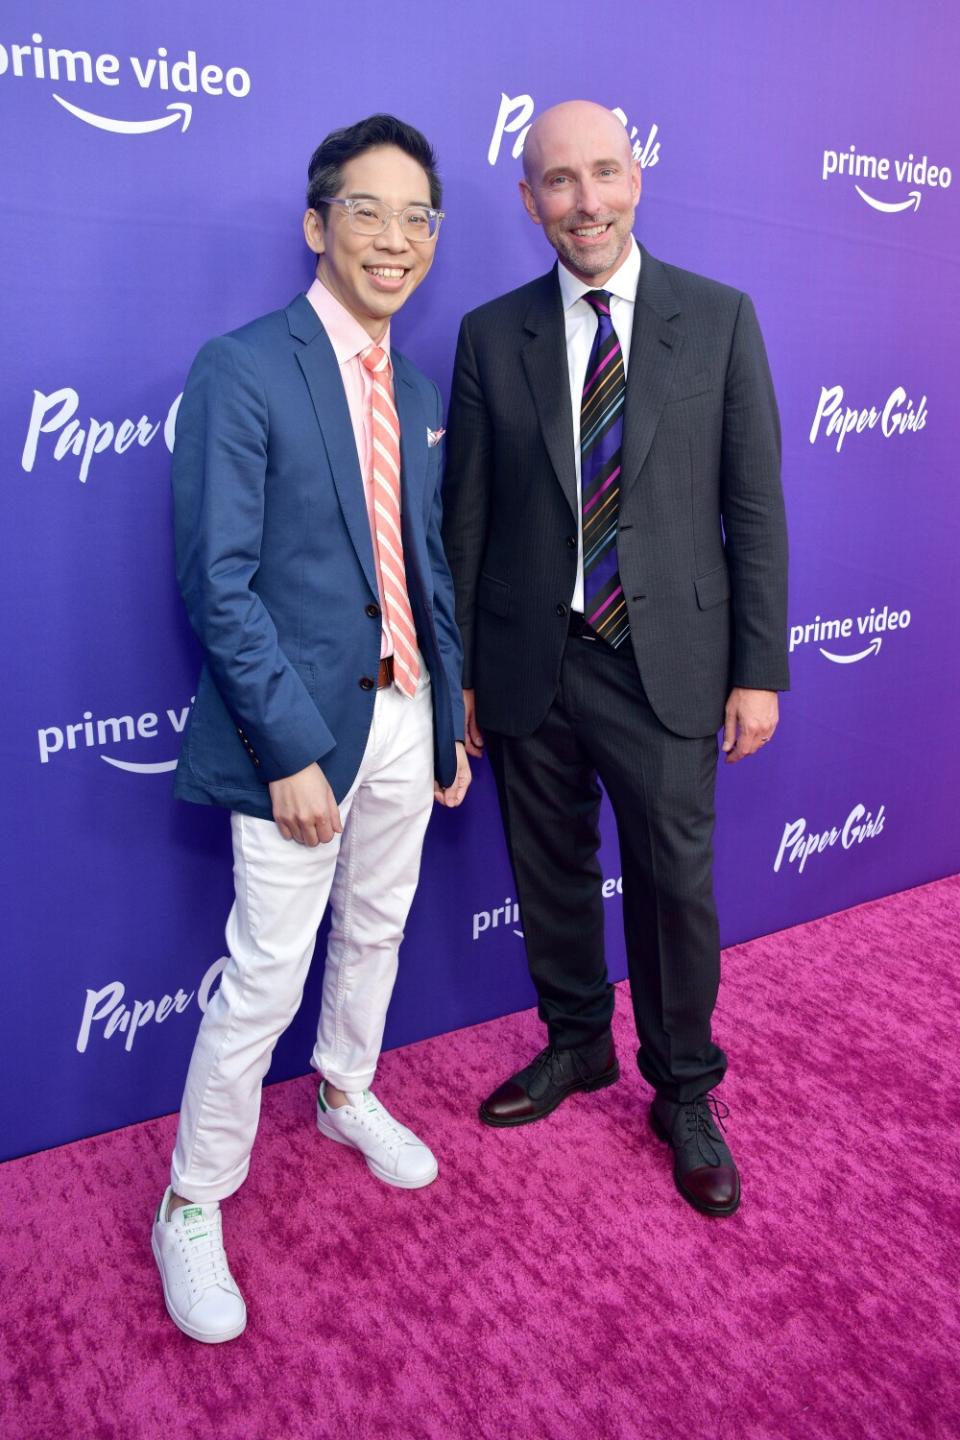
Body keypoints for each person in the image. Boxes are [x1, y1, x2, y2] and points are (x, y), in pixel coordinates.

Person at [153, 114, 470, 1343]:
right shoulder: (242, 366)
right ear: (316, 223)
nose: (395, 239)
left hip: (407, 714)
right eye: (368, 211)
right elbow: (216, 581)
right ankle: (190, 1201)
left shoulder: (418, 386)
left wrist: (444, 710)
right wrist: (286, 746)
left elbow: (423, 561)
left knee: (378, 929)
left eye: (418, 218)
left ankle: (346, 1090)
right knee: (263, 975)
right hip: (297, 732)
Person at [441, 100, 787, 1219]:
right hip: (532, 658)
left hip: (670, 661)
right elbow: (467, 521)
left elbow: (754, 508)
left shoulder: (718, 317)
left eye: (602, 174)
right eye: (557, 181)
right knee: (548, 874)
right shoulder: (494, 334)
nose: (583, 202)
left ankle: (684, 1089)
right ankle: (577, 1043)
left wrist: (759, 667)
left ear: (636, 178)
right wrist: (466, 676)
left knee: (674, 890)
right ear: (529, 198)